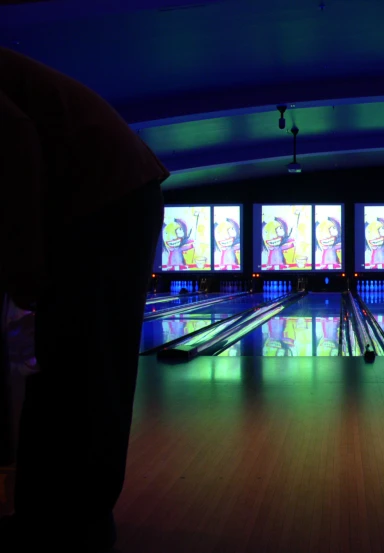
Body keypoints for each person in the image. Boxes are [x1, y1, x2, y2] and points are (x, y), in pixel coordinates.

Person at [0, 47, 169, 552]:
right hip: (103, 196)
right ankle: (53, 512)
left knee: (80, 361)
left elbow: (16, 142)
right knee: (67, 362)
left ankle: (72, 519)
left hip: (104, 198)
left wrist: (26, 266)